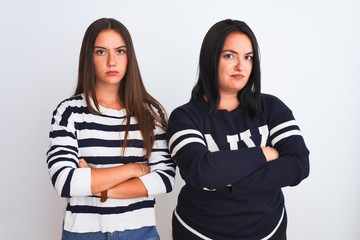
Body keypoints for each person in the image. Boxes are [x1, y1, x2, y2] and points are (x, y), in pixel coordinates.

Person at [167, 19, 310, 240]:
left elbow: (299, 165)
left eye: (248, 57)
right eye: (229, 56)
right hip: (199, 231)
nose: (240, 66)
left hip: (269, 229)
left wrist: (230, 179)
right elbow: (202, 172)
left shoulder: (272, 108)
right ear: (210, 59)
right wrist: (266, 153)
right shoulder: (184, 117)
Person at [46, 18, 175, 240]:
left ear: (129, 56)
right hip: (83, 234)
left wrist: (97, 186)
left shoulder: (150, 113)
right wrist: (136, 169)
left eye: (120, 51)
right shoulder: (69, 112)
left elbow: (164, 179)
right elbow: (65, 182)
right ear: (89, 57)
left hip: (140, 232)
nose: (112, 61)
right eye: (101, 52)